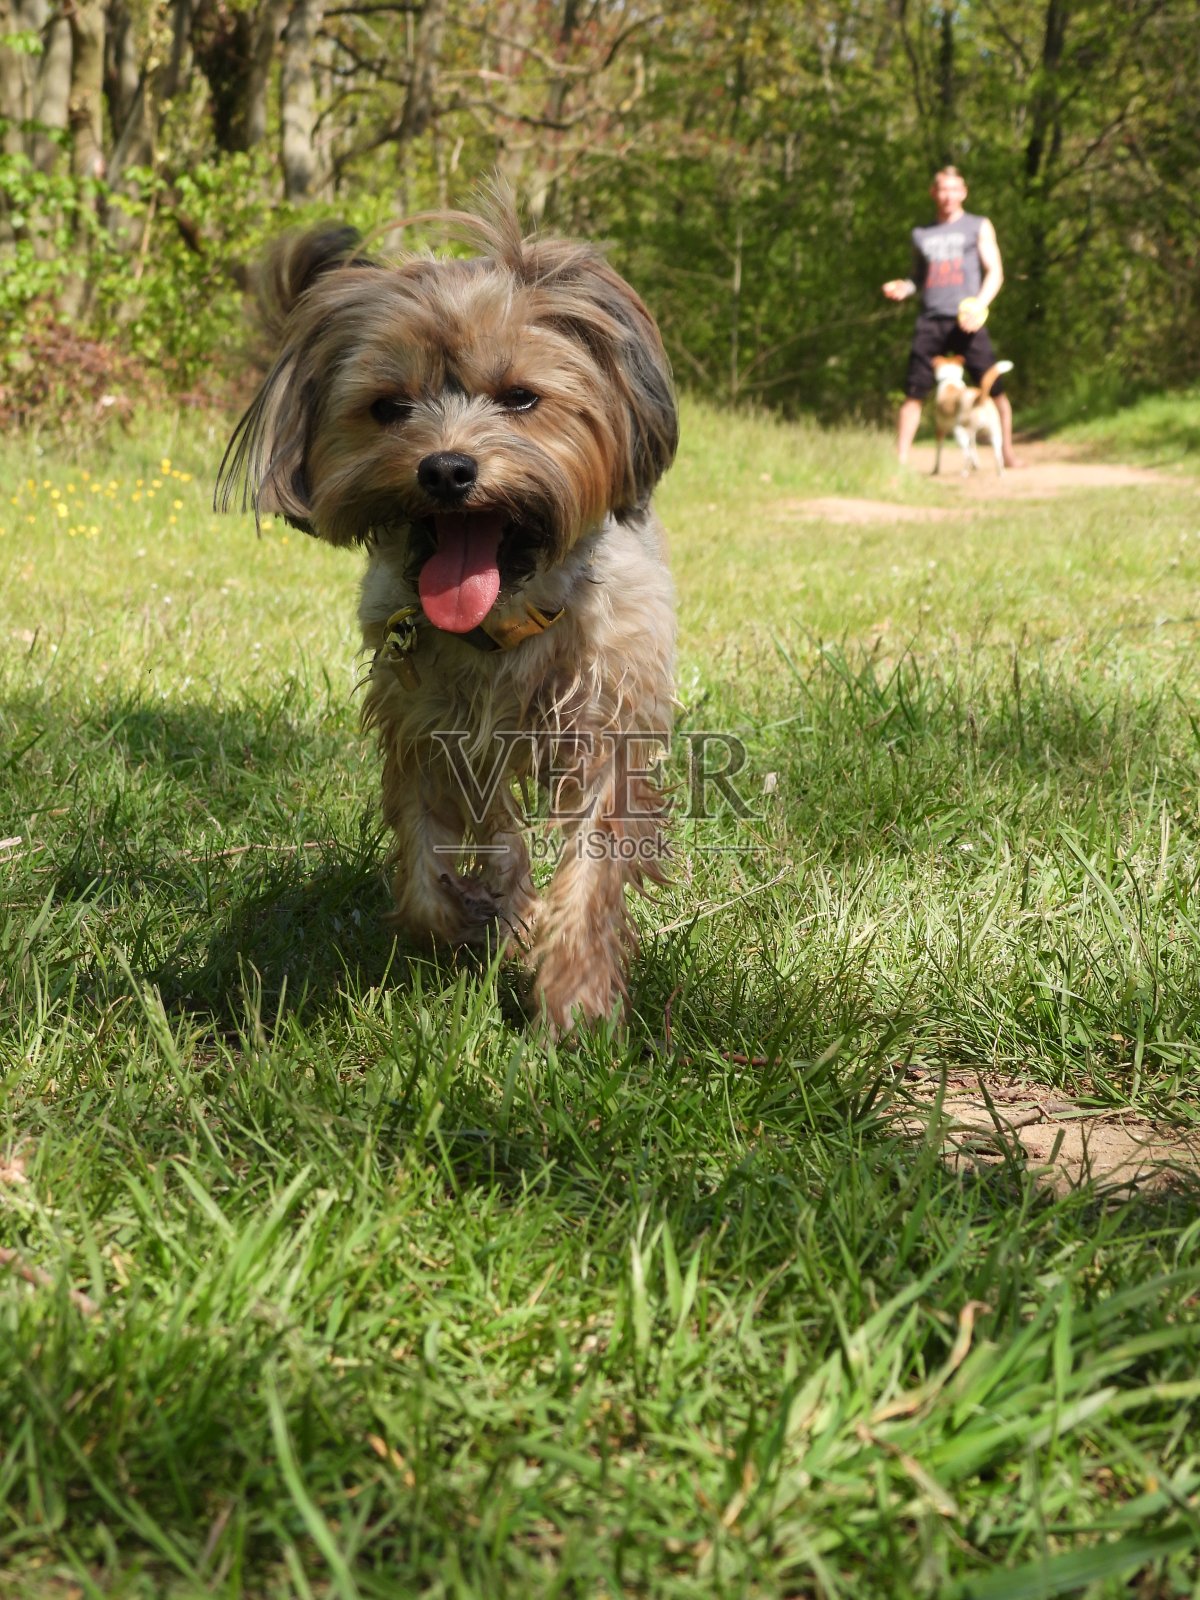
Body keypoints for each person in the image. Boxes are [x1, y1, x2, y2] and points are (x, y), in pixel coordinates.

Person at [882, 166, 1019, 468]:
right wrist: (902, 288)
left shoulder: (978, 226)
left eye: (954, 189)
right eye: (942, 190)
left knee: (993, 388)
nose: (948, 196)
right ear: (933, 193)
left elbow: (995, 271)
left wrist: (979, 308)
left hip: (968, 321)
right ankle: (900, 460)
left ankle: (1007, 453)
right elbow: (917, 278)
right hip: (930, 320)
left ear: (964, 192)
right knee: (913, 393)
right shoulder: (921, 234)